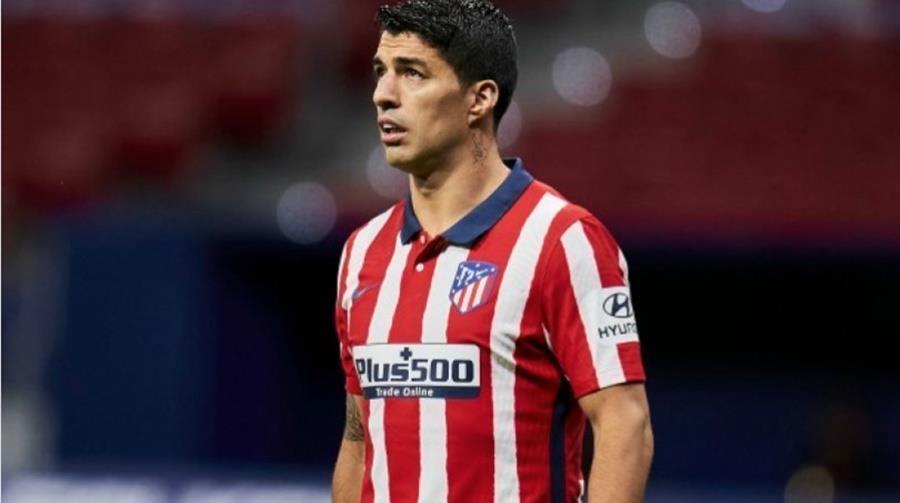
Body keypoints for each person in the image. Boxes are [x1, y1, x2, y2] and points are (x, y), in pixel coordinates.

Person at [331, 1, 653, 501]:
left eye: (412, 73)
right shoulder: (361, 252)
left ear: (479, 99)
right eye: (380, 72)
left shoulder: (562, 239)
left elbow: (624, 424)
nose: (383, 95)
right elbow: (358, 438)